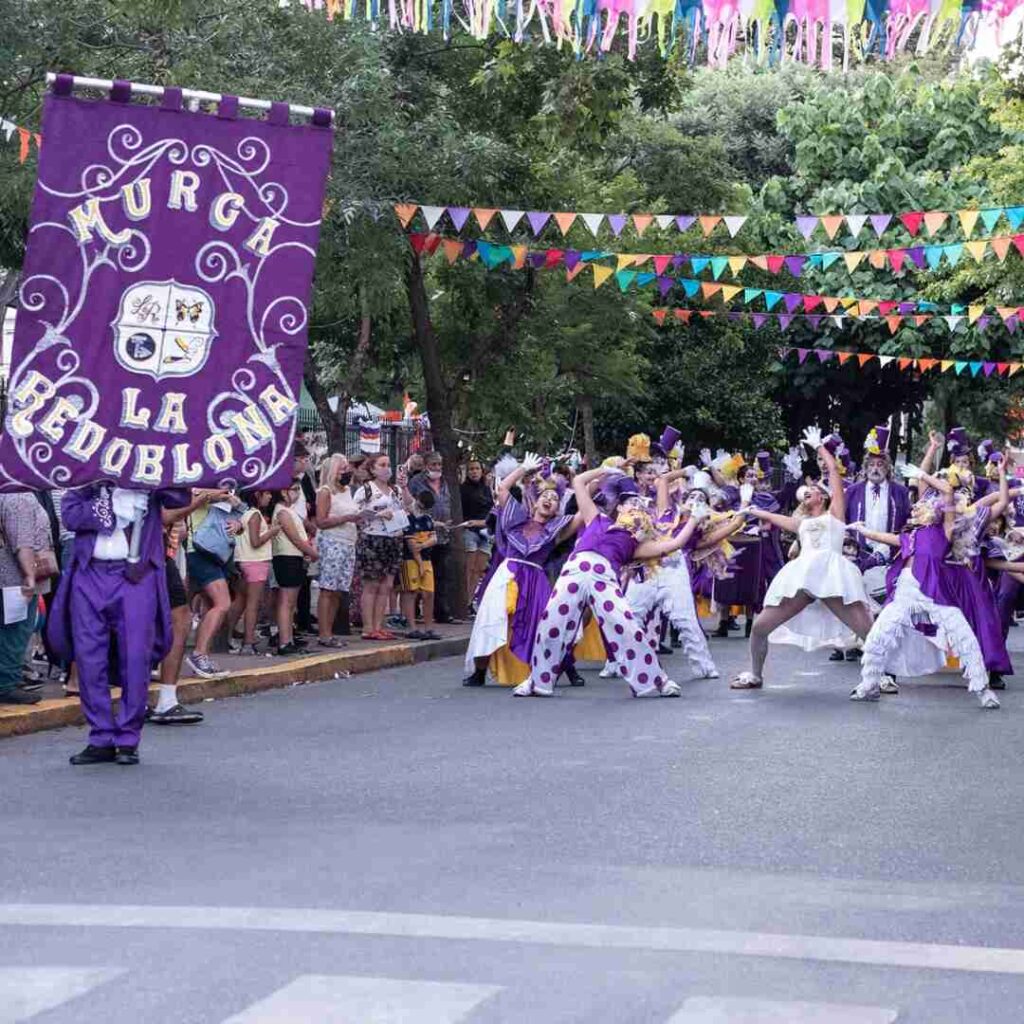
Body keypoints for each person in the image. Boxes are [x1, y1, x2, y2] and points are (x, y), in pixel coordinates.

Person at [512, 466, 704, 699]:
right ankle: (536, 681)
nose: (637, 508)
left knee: (628, 627)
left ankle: (658, 681)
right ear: (620, 508)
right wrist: (604, 470)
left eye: (643, 507)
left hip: (604, 578)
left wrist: (694, 518)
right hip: (574, 570)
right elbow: (580, 483)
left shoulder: (637, 545)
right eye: (632, 504)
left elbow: (672, 545)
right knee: (551, 624)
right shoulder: (597, 518)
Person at [49, 486, 190, 765]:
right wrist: (111, 508)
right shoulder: (85, 484)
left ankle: (128, 738)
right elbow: (69, 516)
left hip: (136, 577)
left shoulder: (150, 481)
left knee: (136, 657)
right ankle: (100, 736)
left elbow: (180, 496)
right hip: (90, 574)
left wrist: (151, 480)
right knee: (89, 657)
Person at [731, 429, 874, 691]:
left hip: (831, 577)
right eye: (804, 492)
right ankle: (755, 674)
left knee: (868, 631)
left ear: (824, 496)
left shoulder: (836, 515)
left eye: (811, 491)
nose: (806, 493)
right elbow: (778, 519)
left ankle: (880, 677)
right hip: (803, 579)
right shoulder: (802, 523)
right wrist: (751, 508)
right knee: (761, 627)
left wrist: (820, 447)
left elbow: (834, 474)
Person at [850, 467, 1002, 709]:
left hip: (936, 593)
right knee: (878, 636)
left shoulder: (945, 530)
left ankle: (984, 690)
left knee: (964, 637)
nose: (916, 507)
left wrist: (922, 475)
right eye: (917, 506)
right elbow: (884, 537)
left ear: (936, 511)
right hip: (906, 593)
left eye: (923, 504)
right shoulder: (911, 535)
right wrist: (862, 530)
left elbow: (947, 491)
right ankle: (869, 684)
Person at [463, 453, 583, 687]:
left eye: (555, 498)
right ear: (535, 502)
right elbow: (503, 489)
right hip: (507, 575)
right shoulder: (516, 518)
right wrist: (523, 468)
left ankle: (566, 667)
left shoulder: (556, 529)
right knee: (491, 619)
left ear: (558, 507)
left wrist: (579, 480)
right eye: (545, 496)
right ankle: (479, 672)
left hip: (536, 580)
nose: (549, 500)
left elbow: (583, 514)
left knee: (546, 624)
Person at [149, 488, 230, 725]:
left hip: (160, 554)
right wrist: (197, 504)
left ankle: (162, 700)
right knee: (171, 621)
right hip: (149, 555)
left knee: (178, 619)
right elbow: (163, 516)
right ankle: (156, 700)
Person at [185, 492, 245, 679]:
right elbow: (195, 499)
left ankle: (203, 656)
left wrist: (238, 525)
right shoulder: (199, 485)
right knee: (222, 603)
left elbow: (238, 516)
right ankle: (199, 655)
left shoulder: (224, 488)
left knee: (209, 606)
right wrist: (222, 495)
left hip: (216, 551)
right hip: (198, 549)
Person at [0, 493, 48, 706]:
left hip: (7, 577)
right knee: (16, 631)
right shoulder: (19, 496)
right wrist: (30, 575)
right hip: (14, 578)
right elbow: (23, 542)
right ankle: (7, 684)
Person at [355, 453, 408, 640]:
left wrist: (404, 487)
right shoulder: (366, 490)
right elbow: (356, 514)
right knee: (372, 584)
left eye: (388, 464)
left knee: (386, 585)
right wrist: (378, 515)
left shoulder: (395, 490)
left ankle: (379, 625)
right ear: (373, 469)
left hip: (393, 537)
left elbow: (407, 507)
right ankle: (368, 627)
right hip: (373, 538)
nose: (386, 468)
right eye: (382, 465)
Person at [315, 454, 361, 648]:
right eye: (342, 468)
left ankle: (330, 631)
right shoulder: (326, 492)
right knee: (327, 589)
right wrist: (346, 518)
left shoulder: (347, 490)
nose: (346, 472)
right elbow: (321, 521)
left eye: (346, 468)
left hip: (349, 543)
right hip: (333, 542)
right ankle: (323, 633)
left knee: (338, 591)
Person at [229, 489, 278, 656]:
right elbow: (256, 542)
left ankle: (224, 635)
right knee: (253, 604)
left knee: (240, 601)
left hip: (243, 560)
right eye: (267, 493)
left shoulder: (244, 515)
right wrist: (272, 531)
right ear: (257, 495)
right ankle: (248, 641)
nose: (270, 496)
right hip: (255, 562)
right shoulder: (255, 514)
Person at [272, 482, 319, 655]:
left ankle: (289, 638)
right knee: (287, 601)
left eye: (299, 489)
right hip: (287, 557)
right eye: (294, 489)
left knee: (291, 603)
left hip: (295, 557)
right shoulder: (282, 511)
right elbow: (295, 539)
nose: (297, 493)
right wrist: (312, 553)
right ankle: (284, 641)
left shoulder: (291, 511)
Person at [410, 452, 455, 622]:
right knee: (419, 572)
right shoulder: (416, 482)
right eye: (433, 464)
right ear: (426, 464)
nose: (437, 468)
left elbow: (447, 503)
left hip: (443, 534)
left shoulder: (444, 482)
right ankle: (413, 611)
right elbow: (413, 506)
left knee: (441, 574)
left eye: (439, 465)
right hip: (423, 532)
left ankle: (441, 612)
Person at [400, 488, 442, 640]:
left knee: (428, 594)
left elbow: (434, 539)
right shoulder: (408, 518)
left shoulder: (428, 519)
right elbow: (412, 545)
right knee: (411, 592)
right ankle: (412, 627)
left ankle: (428, 628)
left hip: (426, 559)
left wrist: (423, 545)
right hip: (411, 560)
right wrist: (420, 563)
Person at [460, 458, 494, 607]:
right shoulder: (462, 489)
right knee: (469, 568)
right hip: (470, 531)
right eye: (471, 469)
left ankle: (468, 602)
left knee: (479, 570)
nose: (474, 472)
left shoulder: (486, 489)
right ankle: (462, 601)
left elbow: (492, 511)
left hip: (485, 532)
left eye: (477, 469)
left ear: (482, 471)